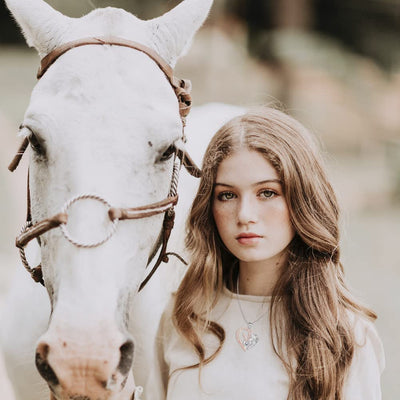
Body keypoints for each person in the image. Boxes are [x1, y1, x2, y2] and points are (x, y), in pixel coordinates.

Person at [146, 107, 384, 400]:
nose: (245, 214)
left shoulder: (345, 334)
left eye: (267, 192)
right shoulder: (184, 315)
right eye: (227, 195)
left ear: (303, 198)